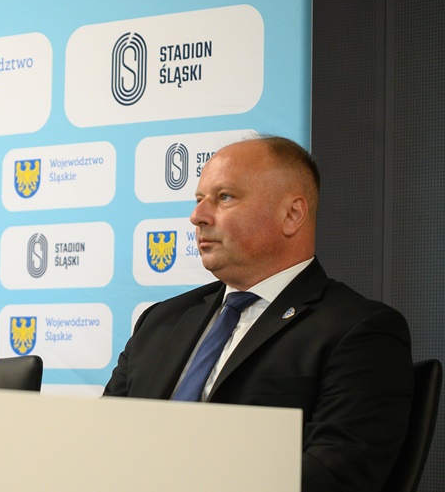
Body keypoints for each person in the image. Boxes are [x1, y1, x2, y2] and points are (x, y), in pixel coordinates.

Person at [104, 136, 413, 492]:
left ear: (292, 214)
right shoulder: (161, 320)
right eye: (199, 199)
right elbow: (101, 441)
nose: (198, 217)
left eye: (224, 198)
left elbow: (333, 476)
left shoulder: (360, 332)